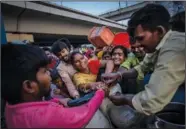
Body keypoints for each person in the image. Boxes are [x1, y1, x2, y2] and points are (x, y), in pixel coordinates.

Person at [101, 4, 185, 127]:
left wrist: (124, 99)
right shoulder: (158, 45)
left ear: (160, 31)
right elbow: (141, 67)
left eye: (141, 38)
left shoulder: (174, 47)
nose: (138, 45)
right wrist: (118, 74)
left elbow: (151, 101)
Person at [2, 44, 112, 128]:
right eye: (45, 71)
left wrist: (58, 101)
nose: (50, 74)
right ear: (29, 86)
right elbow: (84, 115)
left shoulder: (10, 106)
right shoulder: (47, 117)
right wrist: (100, 93)